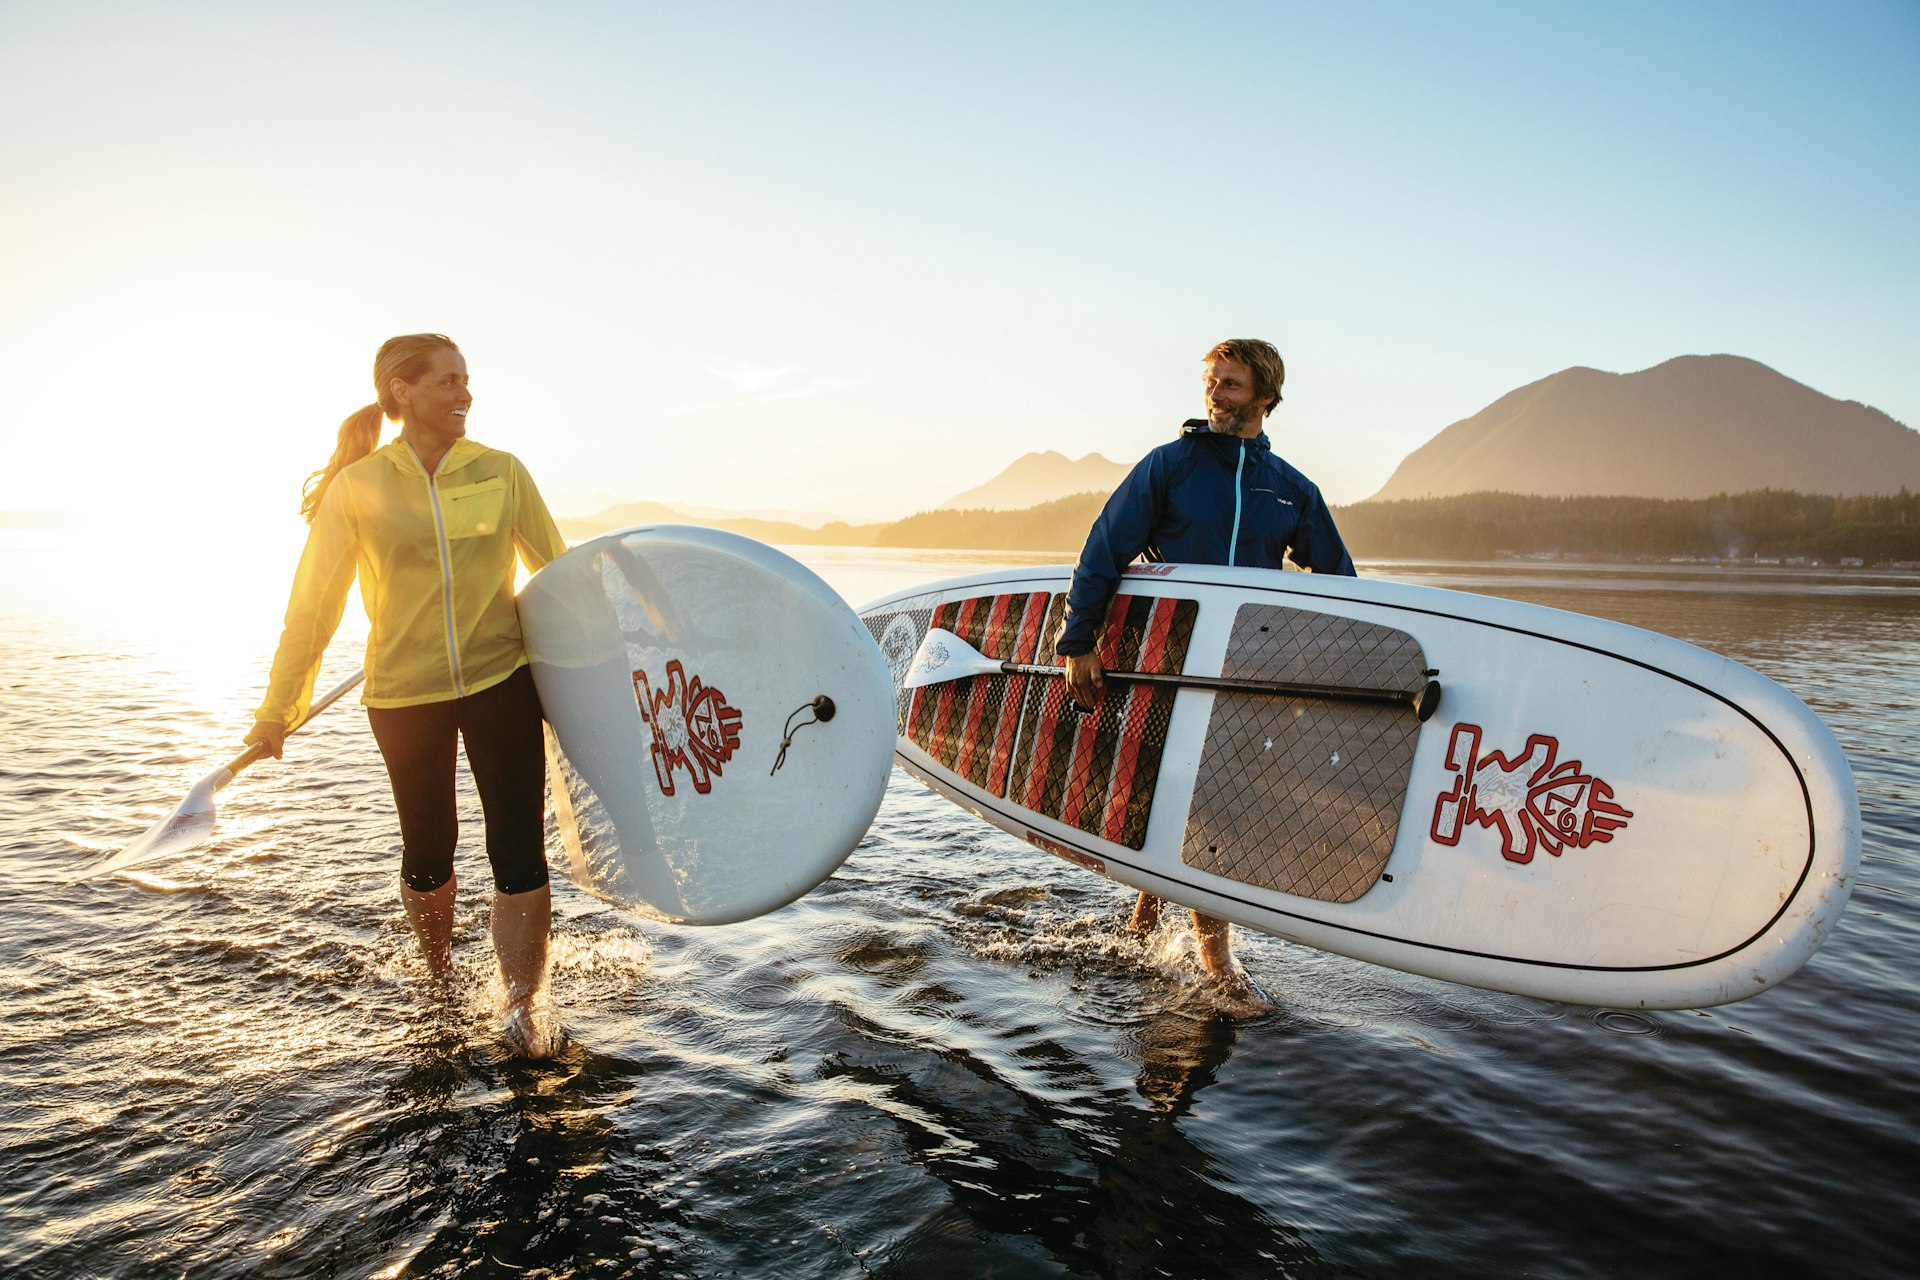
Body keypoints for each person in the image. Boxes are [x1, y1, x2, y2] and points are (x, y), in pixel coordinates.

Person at [246, 334, 568, 1056]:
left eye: (467, 381)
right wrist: (277, 710)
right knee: (430, 851)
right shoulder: (357, 487)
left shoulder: (501, 471)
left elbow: (561, 577)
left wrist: (619, 671)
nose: (464, 394)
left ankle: (523, 1007)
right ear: (402, 391)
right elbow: (314, 607)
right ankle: (439, 975)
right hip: (403, 694)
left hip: (500, 680)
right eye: (448, 381)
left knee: (517, 848)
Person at [1056, 338, 1355, 993]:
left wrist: (1340, 669)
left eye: (1232, 385)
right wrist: (1079, 643)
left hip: (1248, 669)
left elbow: (1340, 582)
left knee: (1206, 802)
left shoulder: (1291, 489)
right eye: (1212, 382)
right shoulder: (1172, 466)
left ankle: (1145, 913)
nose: (1216, 395)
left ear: (1265, 398)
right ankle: (1217, 964)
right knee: (1206, 806)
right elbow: (1104, 550)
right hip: (1171, 664)